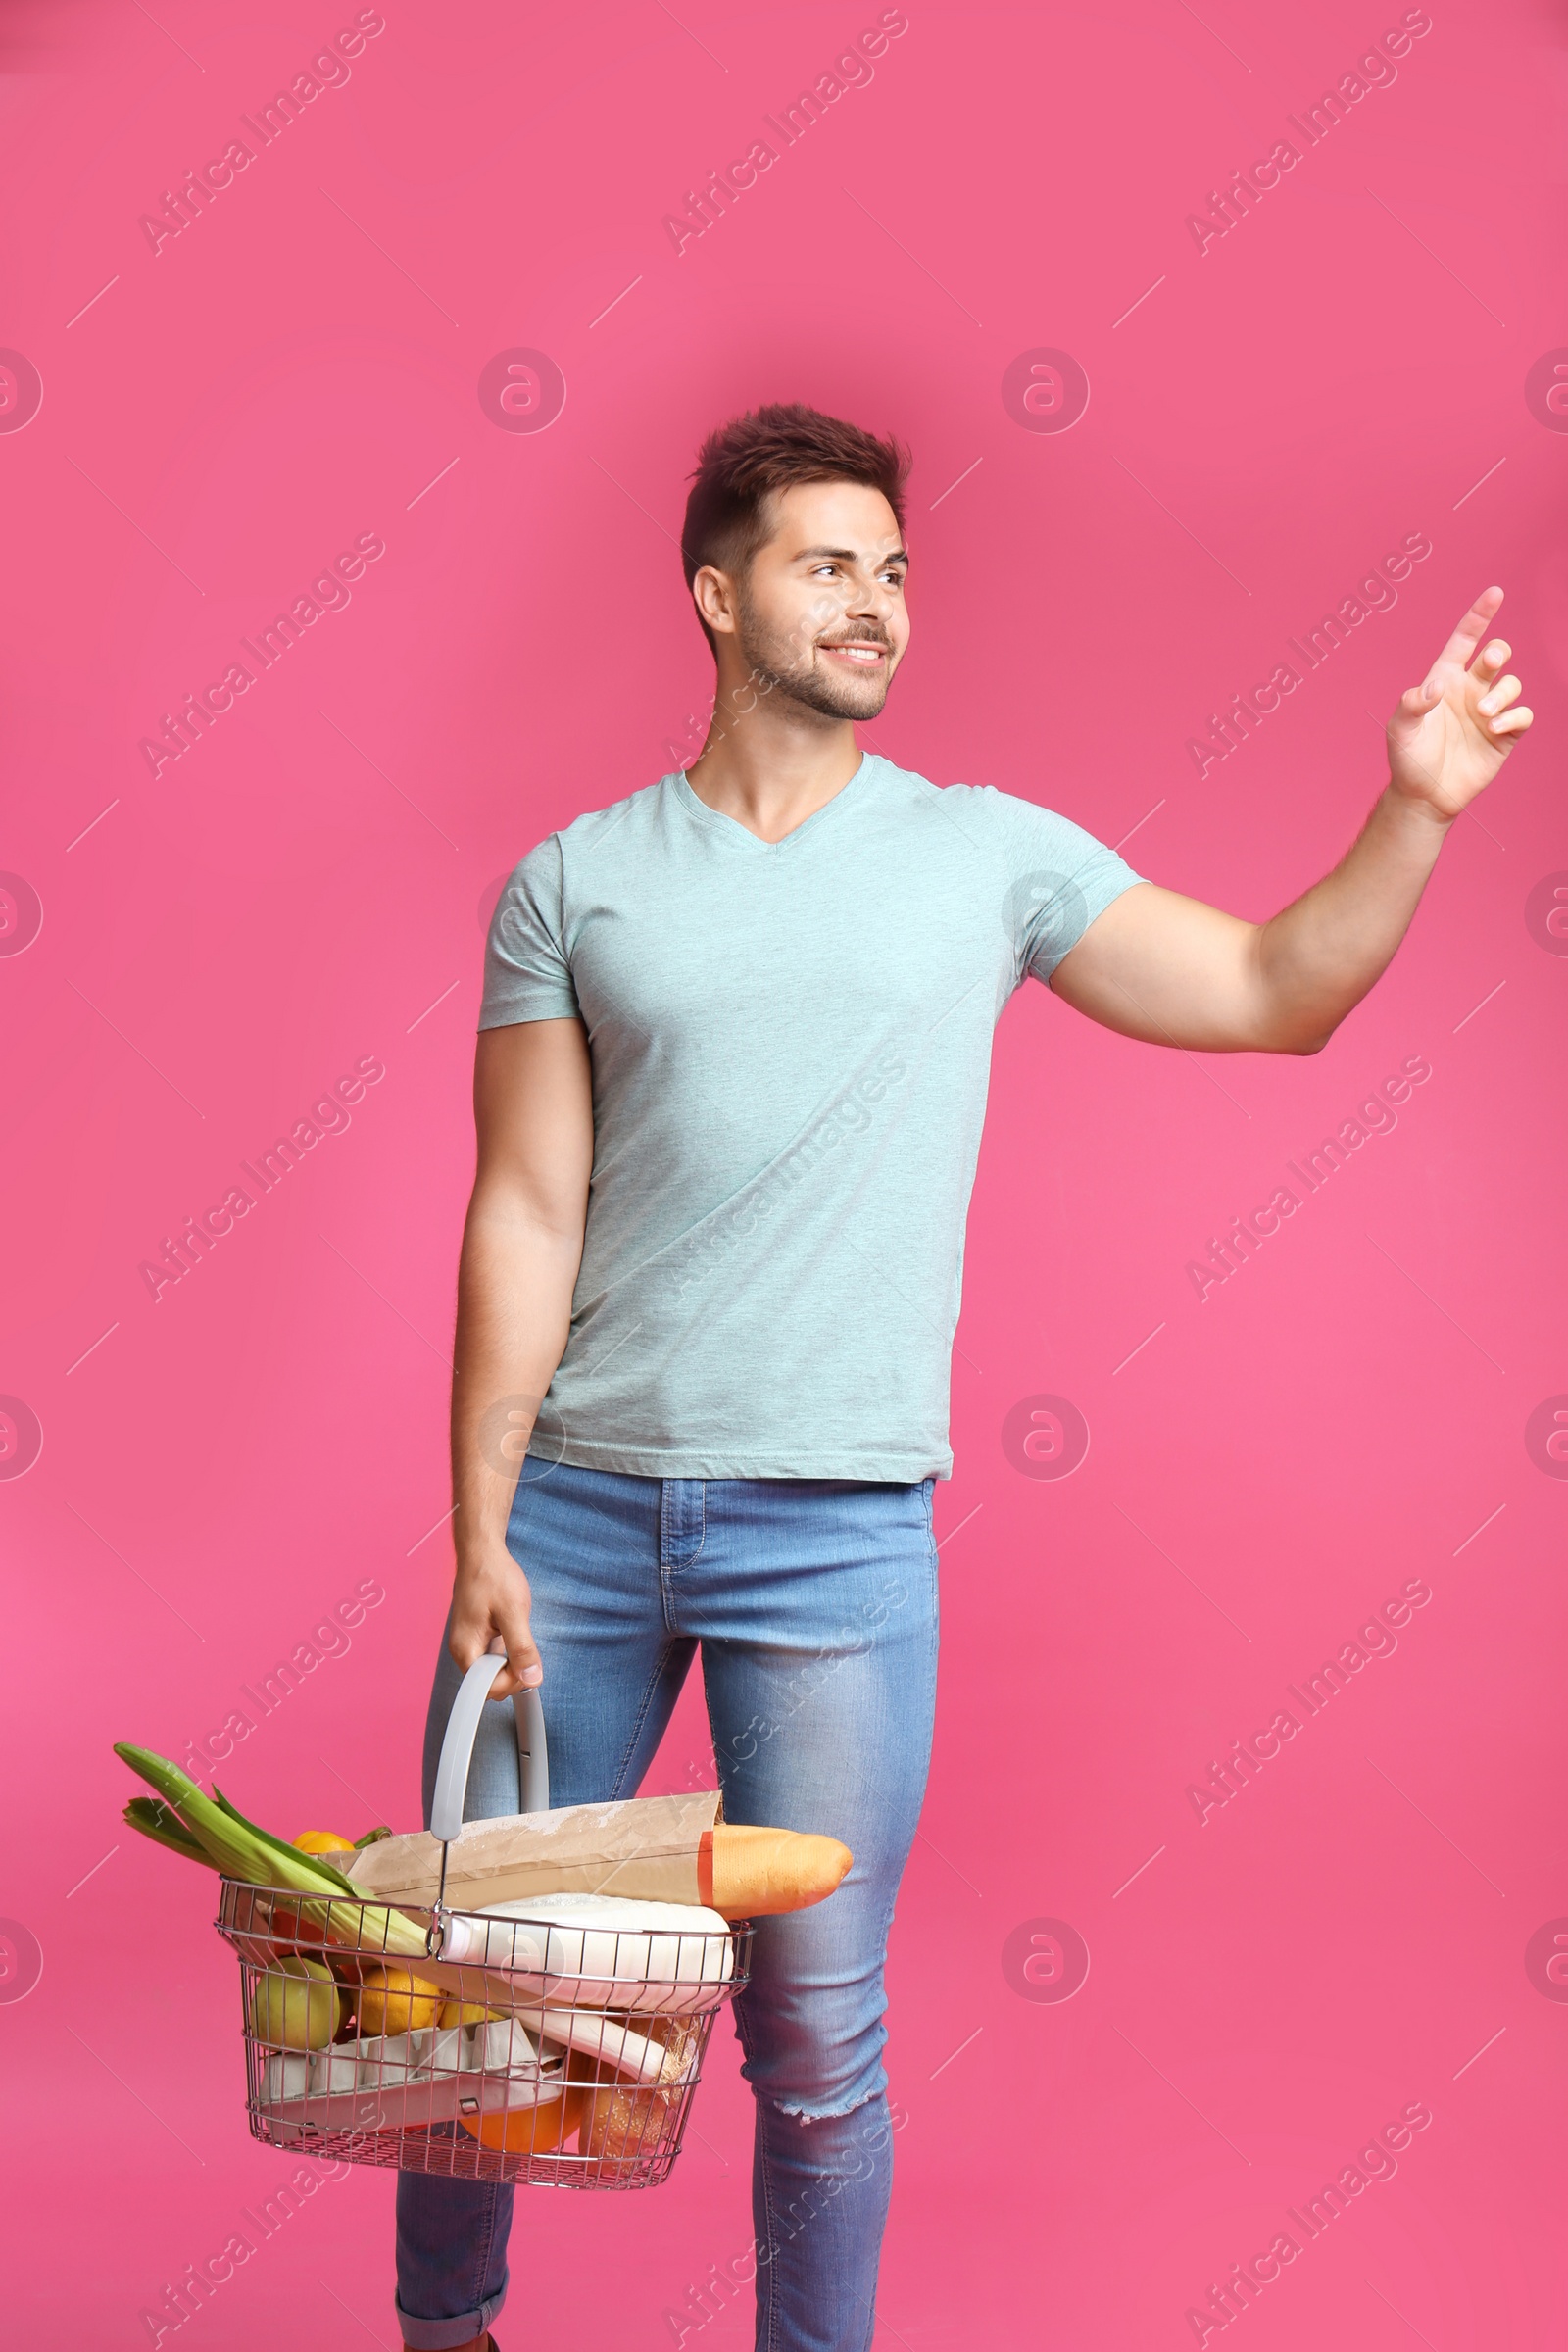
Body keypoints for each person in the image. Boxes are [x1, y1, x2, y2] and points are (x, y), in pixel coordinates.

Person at [393, 404, 1533, 2351]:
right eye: (828, 563)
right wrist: (478, 1525)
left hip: (829, 1542)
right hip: (572, 1519)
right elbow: (521, 1214)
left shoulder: (984, 856)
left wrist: (1413, 808)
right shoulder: (574, 882)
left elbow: (1275, 992)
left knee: (814, 2037)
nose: (875, 604)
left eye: (895, 571)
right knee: (466, 1973)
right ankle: (443, 2331)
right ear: (714, 593)